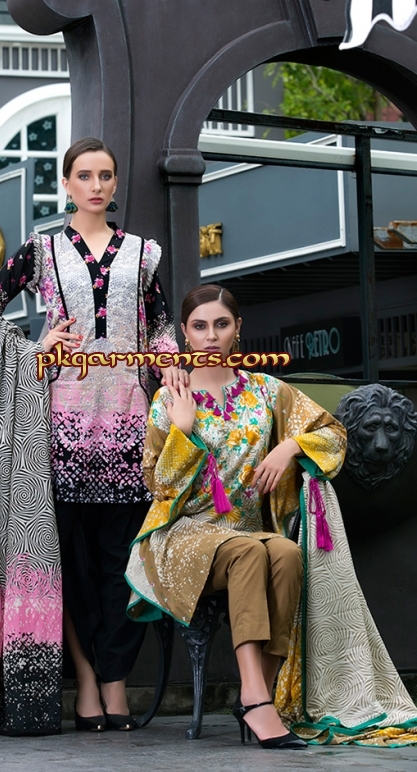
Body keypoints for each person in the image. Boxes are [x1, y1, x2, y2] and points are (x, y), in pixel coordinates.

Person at [0, 137, 184, 735]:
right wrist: (37, 348)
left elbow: (162, 330)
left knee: (122, 565)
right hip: (59, 430)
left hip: (129, 428)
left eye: (105, 175)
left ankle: (115, 685)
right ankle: (87, 684)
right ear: (66, 184)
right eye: (84, 175)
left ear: (115, 183)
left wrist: (172, 367)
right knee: (73, 567)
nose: (96, 185)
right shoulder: (42, 250)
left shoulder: (143, 255)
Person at [126, 284, 417, 748]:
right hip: (180, 537)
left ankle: (260, 690)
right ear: (184, 333)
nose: (211, 336)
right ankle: (256, 699)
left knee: (284, 553)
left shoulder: (267, 392)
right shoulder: (170, 398)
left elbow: (334, 434)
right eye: (199, 326)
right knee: (250, 552)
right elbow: (159, 488)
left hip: (245, 534)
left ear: (238, 328)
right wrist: (182, 430)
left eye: (221, 324)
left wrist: (290, 446)